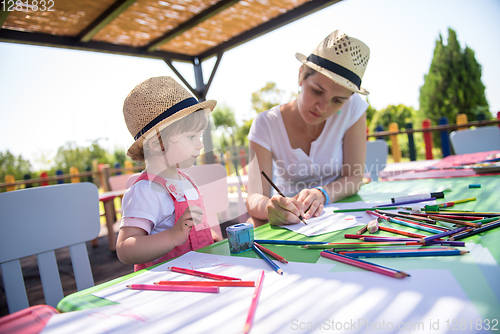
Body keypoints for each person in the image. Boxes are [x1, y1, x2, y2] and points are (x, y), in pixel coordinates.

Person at [246, 30, 371, 226]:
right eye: (317, 91)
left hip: (340, 217)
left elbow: (354, 177)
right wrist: (270, 207)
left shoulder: (353, 108)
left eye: (337, 101)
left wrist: (323, 193)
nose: (322, 108)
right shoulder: (265, 124)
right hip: (289, 222)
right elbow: (254, 196)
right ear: (301, 76)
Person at [116, 76, 220, 271]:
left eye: (199, 135)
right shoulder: (146, 191)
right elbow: (125, 249)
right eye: (191, 136)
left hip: (202, 274)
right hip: (167, 285)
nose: (200, 144)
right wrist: (173, 236)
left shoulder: (187, 181)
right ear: (156, 143)